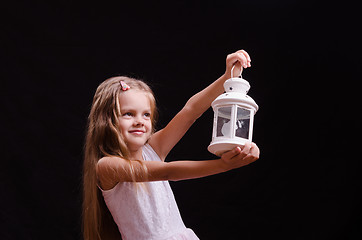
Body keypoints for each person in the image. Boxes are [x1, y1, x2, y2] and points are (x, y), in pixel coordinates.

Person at [82, 50, 260, 240]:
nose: (140, 121)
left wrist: (227, 79)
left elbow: (191, 111)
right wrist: (223, 165)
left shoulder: (153, 149)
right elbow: (168, 172)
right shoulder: (107, 166)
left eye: (146, 114)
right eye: (128, 114)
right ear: (106, 121)